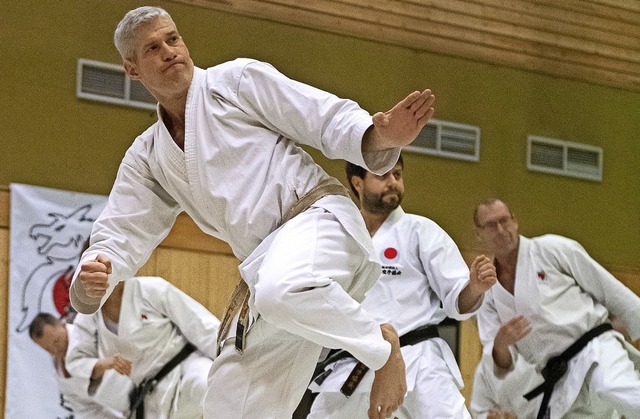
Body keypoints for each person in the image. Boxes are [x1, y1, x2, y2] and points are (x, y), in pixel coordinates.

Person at [68, 5, 436, 418]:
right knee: (229, 402)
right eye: (153, 48)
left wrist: (377, 133)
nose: (170, 51)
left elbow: (315, 113)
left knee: (283, 289)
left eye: (173, 38)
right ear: (133, 70)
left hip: (316, 223)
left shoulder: (234, 81)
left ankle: (382, 346)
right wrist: (97, 275)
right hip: (267, 271)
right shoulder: (149, 156)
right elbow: (121, 229)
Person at [307, 156, 496, 418]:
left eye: (397, 174)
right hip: (352, 363)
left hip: (419, 359)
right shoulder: (338, 236)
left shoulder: (421, 231)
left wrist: (475, 287)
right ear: (357, 182)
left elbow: (457, 300)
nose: (393, 182)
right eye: (383, 176)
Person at [473, 198, 640, 419]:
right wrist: (501, 345)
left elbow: (612, 292)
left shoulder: (553, 249)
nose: (501, 229)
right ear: (478, 234)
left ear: (515, 221)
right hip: (559, 378)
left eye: (504, 220)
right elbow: (502, 364)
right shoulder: (487, 292)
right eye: (491, 225)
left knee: (614, 389)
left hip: (595, 349)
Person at [66, 276, 220, 419]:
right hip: (151, 394)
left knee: (213, 388)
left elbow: (202, 326)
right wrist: (101, 364)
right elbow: (75, 362)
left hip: (185, 369)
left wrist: (231, 360)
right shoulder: (88, 316)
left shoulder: (151, 288)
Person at [29, 313, 126, 419]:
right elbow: (89, 410)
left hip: (141, 387)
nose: (55, 349)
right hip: (131, 410)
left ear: (62, 324)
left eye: (56, 341)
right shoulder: (60, 372)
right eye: (48, 349)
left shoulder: (90, 332)